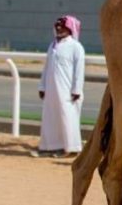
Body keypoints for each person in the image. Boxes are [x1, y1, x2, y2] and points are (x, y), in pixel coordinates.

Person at [31, 16, 85, 158]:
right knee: (50, 118)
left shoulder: (76, 47)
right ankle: (49, 147)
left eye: (63, 26)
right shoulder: (53, 45)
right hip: (51, 90)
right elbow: (47, 67)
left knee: (67, 118)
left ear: (70, 29)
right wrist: (42, 86)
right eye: (57, 26)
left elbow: (79, 71)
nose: (59, 29)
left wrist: (76, 90)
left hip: (68, 92)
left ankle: (71, 148)